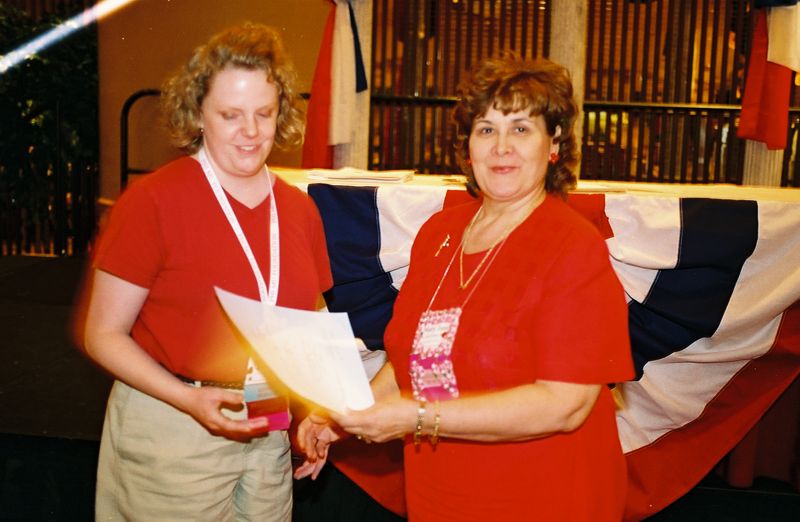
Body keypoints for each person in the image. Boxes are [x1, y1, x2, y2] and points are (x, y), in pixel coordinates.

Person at [298, 54, 634, 520]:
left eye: (521, 128)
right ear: (468, 146)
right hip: (442, 488)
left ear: (553, 144)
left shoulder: (574, 247)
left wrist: (414, 417)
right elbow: (408, 358)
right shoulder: (440, 233)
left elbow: (566, 405)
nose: (501, 147)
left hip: (543, 495)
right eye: (486, 129)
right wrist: (348, 414)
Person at [81, 23, 332, 520]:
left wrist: (316, 410)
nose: (252, 131)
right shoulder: (154, 201)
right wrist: (186, 400)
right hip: (177, 426)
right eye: (230, 115)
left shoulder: (298, 209)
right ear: (198, 113)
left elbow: (309, 328)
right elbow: (102, 334)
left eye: (264, 113)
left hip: (268, 425)